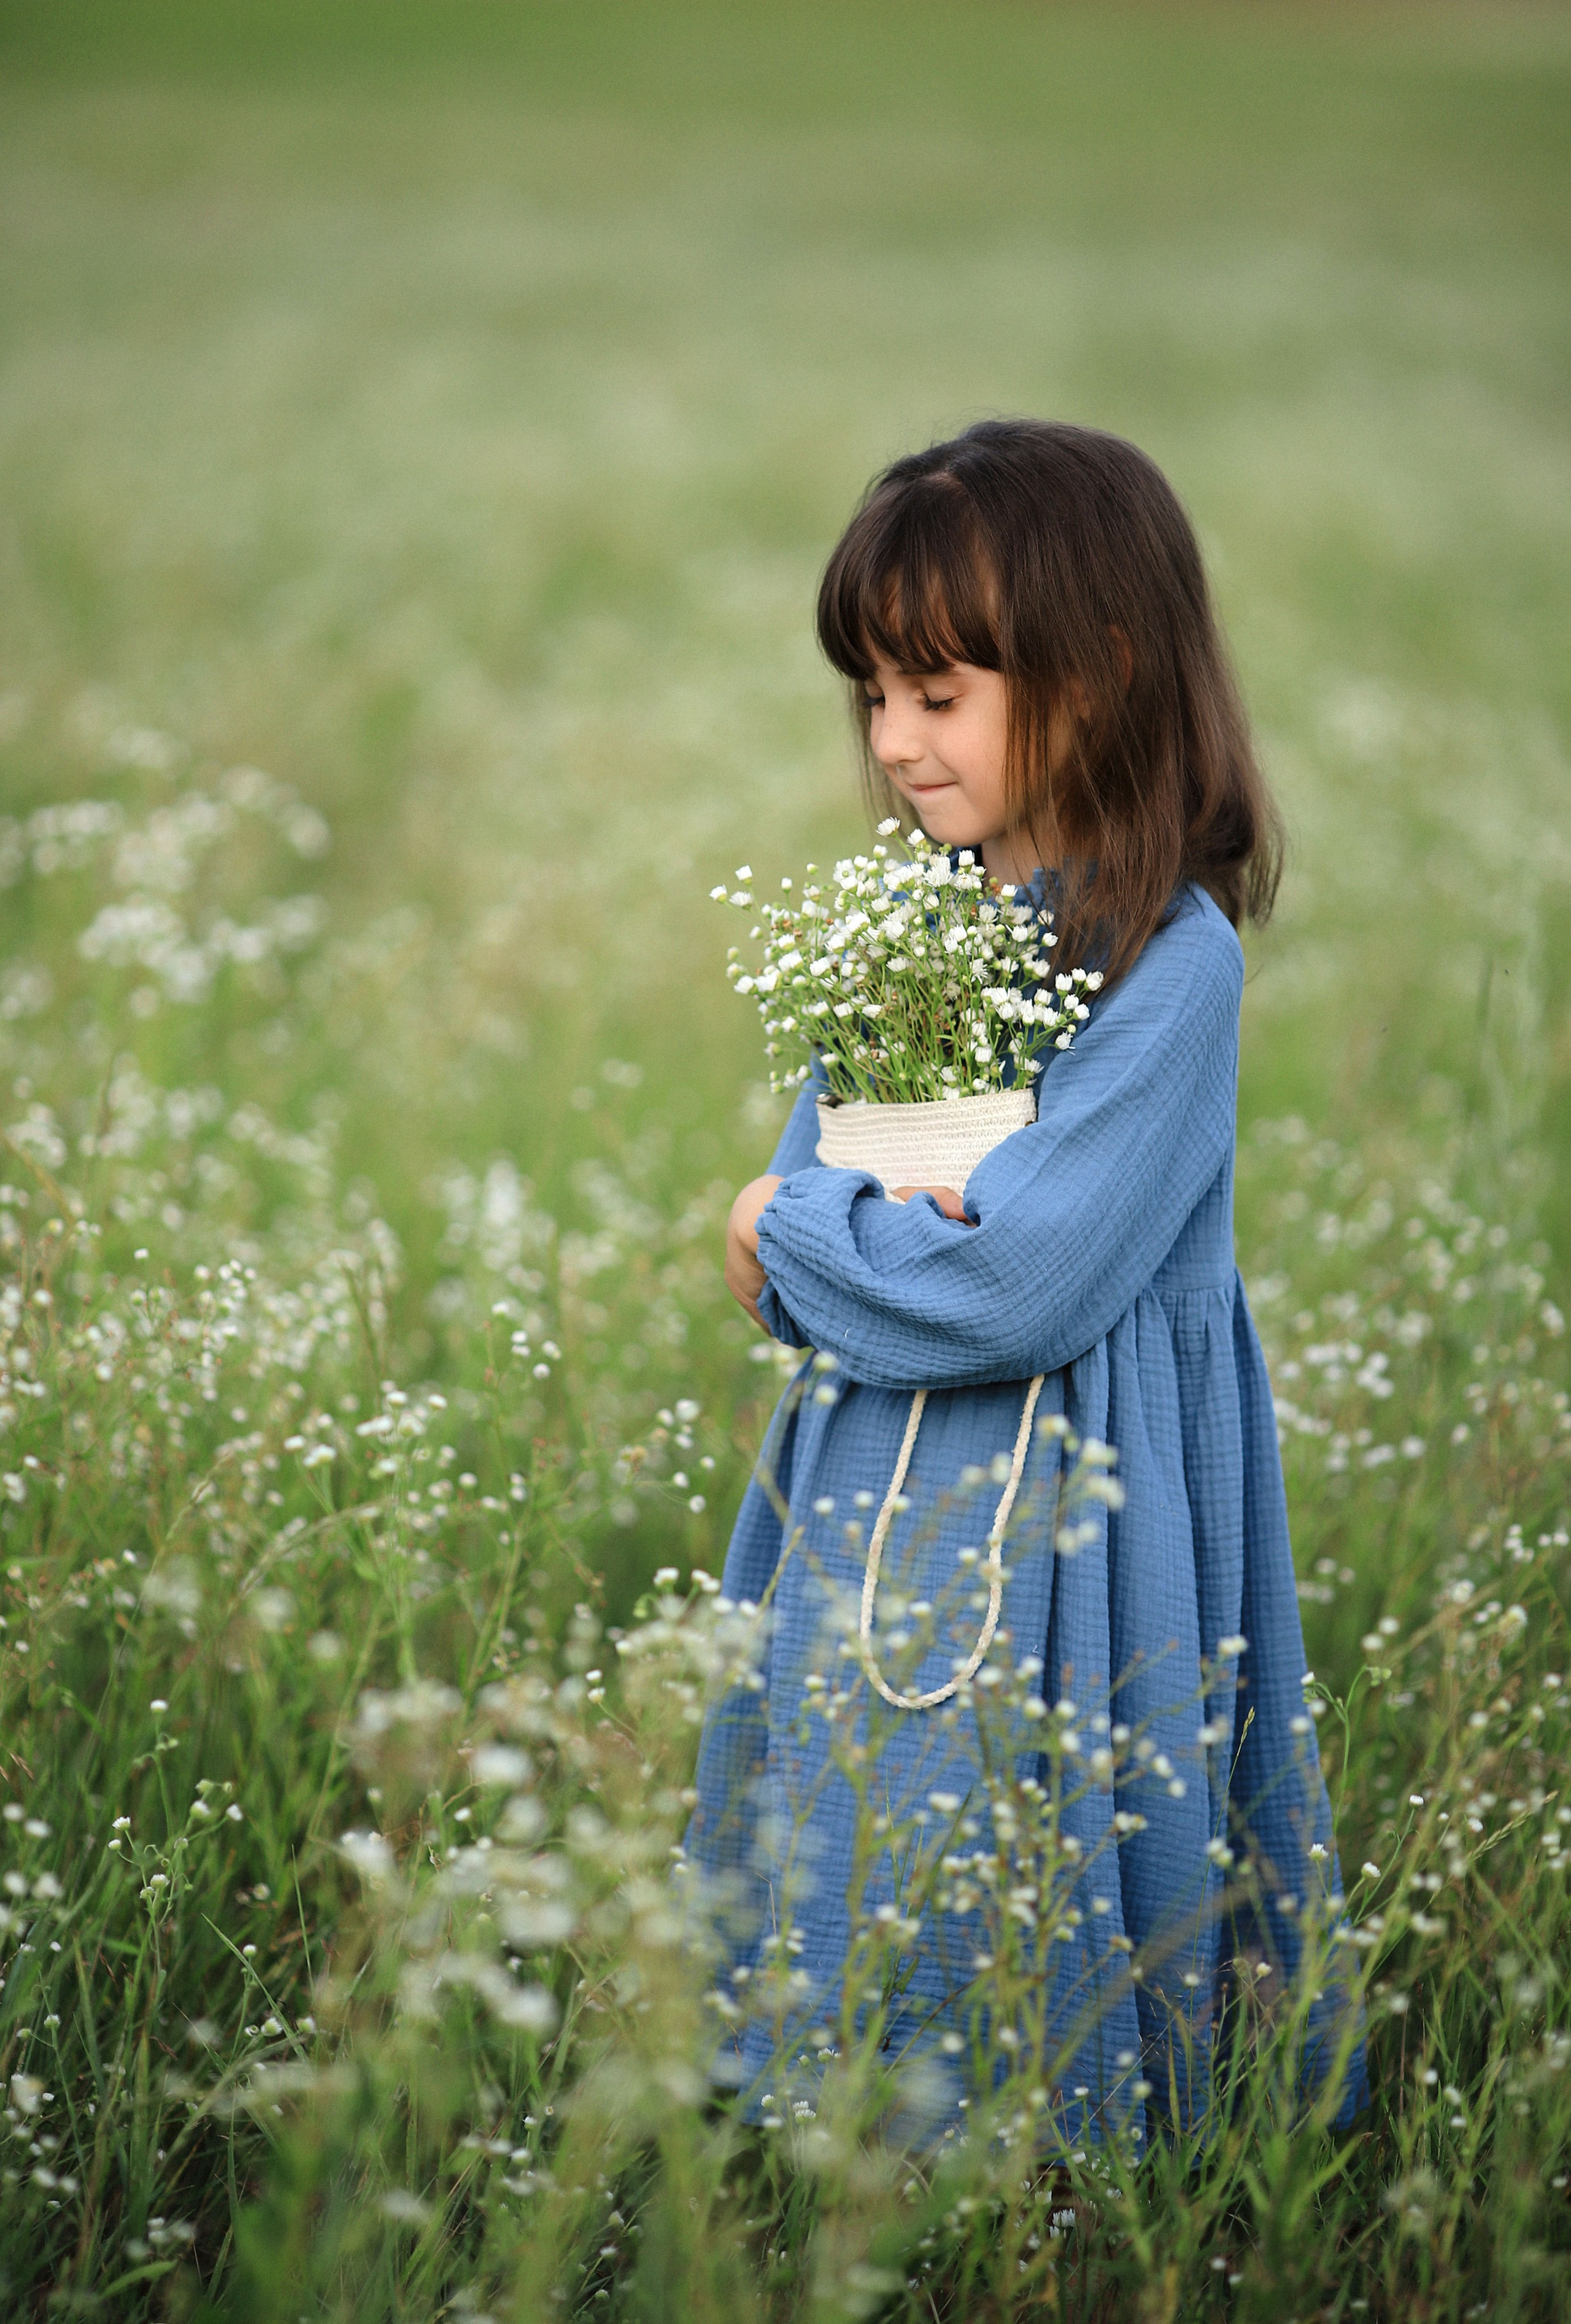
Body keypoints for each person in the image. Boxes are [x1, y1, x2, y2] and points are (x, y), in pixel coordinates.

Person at [685, 419, 1365, 2145]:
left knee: (1038, 1808)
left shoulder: (1172, 964)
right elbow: (794, 1259)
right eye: (874, 696)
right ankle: (830, 2139)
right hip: (869, 1484)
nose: (897, 743)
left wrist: (808, 1224)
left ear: (1103, 671)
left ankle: (1047, 2164)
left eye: (940, 690)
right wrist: (817, 1237)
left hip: (1080, 1500)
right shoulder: (910, 929)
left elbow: (1017, 1289)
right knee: (863, 1802)